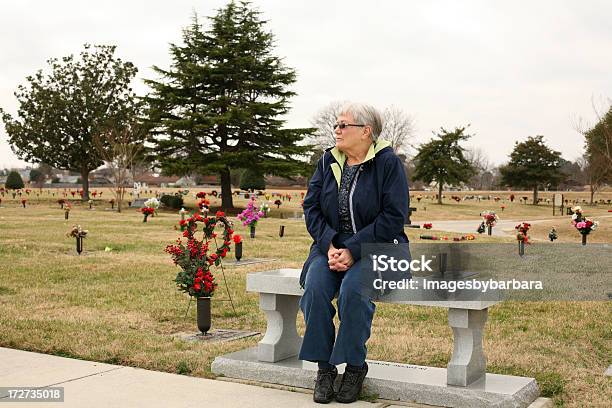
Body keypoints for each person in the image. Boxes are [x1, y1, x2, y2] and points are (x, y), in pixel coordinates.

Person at [300, 103, 410, 403]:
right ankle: (324, 369)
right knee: (315, 288)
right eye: (335, 125)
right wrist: (332, 245)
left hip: (381, 248)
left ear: (365, 131)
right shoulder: (328, 161)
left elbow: (393, 216)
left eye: (343, 124)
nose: (336, 129)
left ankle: (355, 368)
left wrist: (353, 249)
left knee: (353, 290)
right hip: (330, 246)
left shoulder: (388, 164)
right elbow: (311, 209)